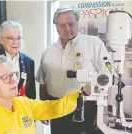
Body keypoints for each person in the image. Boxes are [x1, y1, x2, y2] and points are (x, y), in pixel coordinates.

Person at [0, 54, 90, 134]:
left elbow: (52, 108)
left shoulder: (23, 102)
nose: (13, 81)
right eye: (5, 78)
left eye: (13, 75)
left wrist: (83, 92)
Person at [36, 5, 110, 134]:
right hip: (56, 108)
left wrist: (102, 111)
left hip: (86, 108)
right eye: (62, 25)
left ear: (77, 22)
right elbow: (43, 83)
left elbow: (106, 78)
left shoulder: (94, 44)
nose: (67, 29)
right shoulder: (48, 51)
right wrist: (44, 109)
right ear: (56, 26)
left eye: (71, 24)